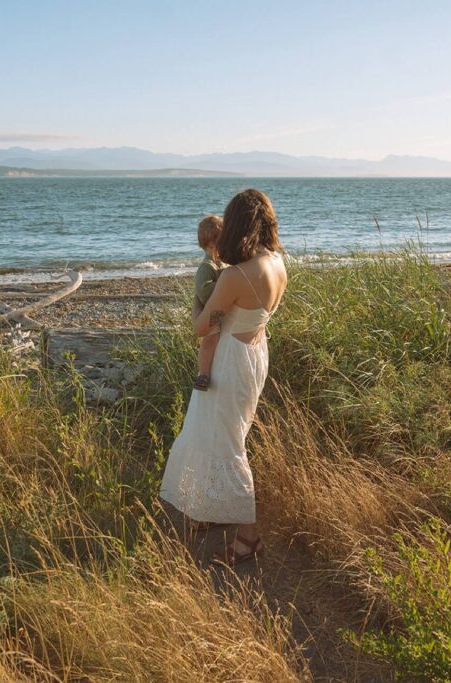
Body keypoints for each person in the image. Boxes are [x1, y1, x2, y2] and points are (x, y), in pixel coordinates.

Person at [159, 189, 287, 566]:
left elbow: (202, 328)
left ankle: (249, 537)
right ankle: (209, 510)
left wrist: (198, 301)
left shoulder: (235, 276)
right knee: (223, 434)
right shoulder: (277, 263)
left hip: (231, 360)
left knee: (227, 442)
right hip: (254, 353)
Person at [192, 215, 224, 391]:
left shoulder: (221, 263)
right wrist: (225, 288)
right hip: (210, 312)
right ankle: (203, 374)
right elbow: (204, 292)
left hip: (220, 310)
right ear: (212, 243)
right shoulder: (207, 266)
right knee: (210, 340)